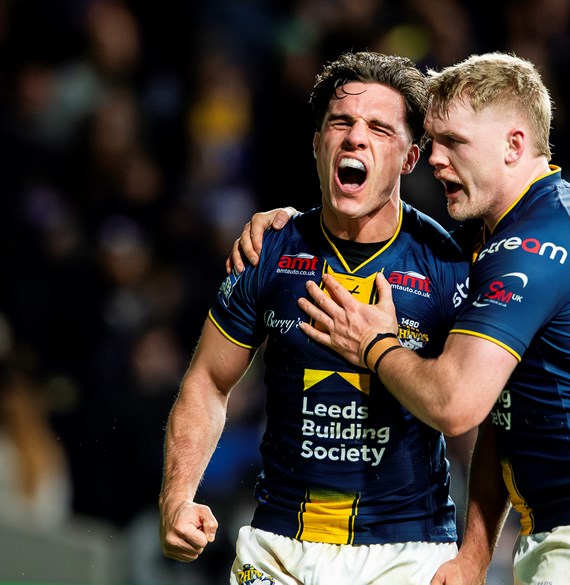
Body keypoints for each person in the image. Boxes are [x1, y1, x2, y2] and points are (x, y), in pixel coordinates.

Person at [291, 52, 570, 584]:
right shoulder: (543, 216)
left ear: (514, 145)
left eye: (454, 142)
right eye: (432, 142)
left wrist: (375, 345)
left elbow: (456, 405)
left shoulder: (533, 246)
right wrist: (476, 556)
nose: (435, 159)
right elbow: (500, 417)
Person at [159, 51, 471, 585]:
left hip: (407, 554)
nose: (355, 138)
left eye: (379, 128)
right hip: (279, 549)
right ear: (317, 143)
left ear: (409, 158)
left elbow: (477, 420)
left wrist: (477, 554)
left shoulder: (446, 266)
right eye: (341, 123)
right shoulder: (269, 250)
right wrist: (177, 497)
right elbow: (208, 381)